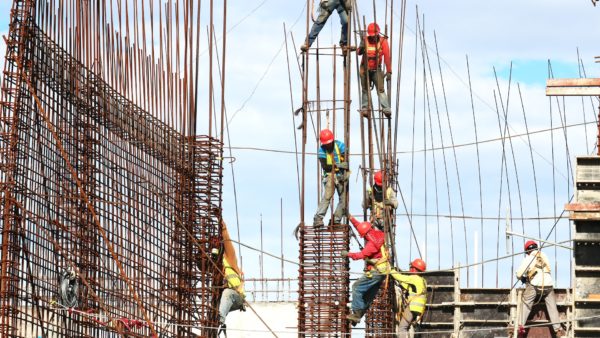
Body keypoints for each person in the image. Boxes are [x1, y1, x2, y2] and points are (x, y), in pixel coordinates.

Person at [515, 241, 566, 337]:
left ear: (527, 251)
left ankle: (519, 327)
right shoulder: (544, 255)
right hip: (548, 285)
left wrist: (523, 278)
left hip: (535, 285)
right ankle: (558, 329)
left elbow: (518, 274)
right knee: (552, 307)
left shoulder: (529, 258)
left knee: (526, 304)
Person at [344, 217, 388, 325]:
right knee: (368, 295)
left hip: (376, 272)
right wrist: (350, 217)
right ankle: (358, 315)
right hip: (382, 272)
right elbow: (361, 227)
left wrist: (347, 254)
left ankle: (357, 314)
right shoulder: (378, 233)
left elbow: (360, 255)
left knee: (356, 288)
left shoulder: (371, 244)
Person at [313, 128, 349, 227]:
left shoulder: (340, 145)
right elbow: (326, 167)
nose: (328, 145)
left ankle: (336, 220)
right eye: (326, 143)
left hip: (341, 175)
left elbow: (346, 159)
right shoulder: (321, 150)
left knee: (344, 200)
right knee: (327, 197)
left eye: (329, 143)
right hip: (330, 175)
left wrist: (344, 169)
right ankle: (318, 218)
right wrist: (339, 165)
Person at [357, 22, 392, 118]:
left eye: (374, 35)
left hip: (376, 69)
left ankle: (386, 109)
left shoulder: (383, 41)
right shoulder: (365, 40)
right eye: (371, 36)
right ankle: (365, 108)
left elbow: (387, 56)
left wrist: (389, 71)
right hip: (365, 69)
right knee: (365, 89)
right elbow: (358, 53)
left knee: (380, 90)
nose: (372, 37)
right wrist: (361, 46)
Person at [394, 259, 428, 338]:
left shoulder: (414, 278)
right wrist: (400, 283)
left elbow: (400, 277)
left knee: (402, 328)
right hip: (419, 309)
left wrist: (391, 270)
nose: (410, 269)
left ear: (414, 269)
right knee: (410, 326)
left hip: (413, 307)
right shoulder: (422, 280)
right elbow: (411, 288)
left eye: (411, 267)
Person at [218, 256, 246, 336]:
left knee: (227, 293)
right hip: (232, 299)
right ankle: (221, 324)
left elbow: (227, 253)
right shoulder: (225, 272)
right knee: (218, 306)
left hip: (238, 297)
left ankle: (221, 320)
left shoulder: (229, 264)